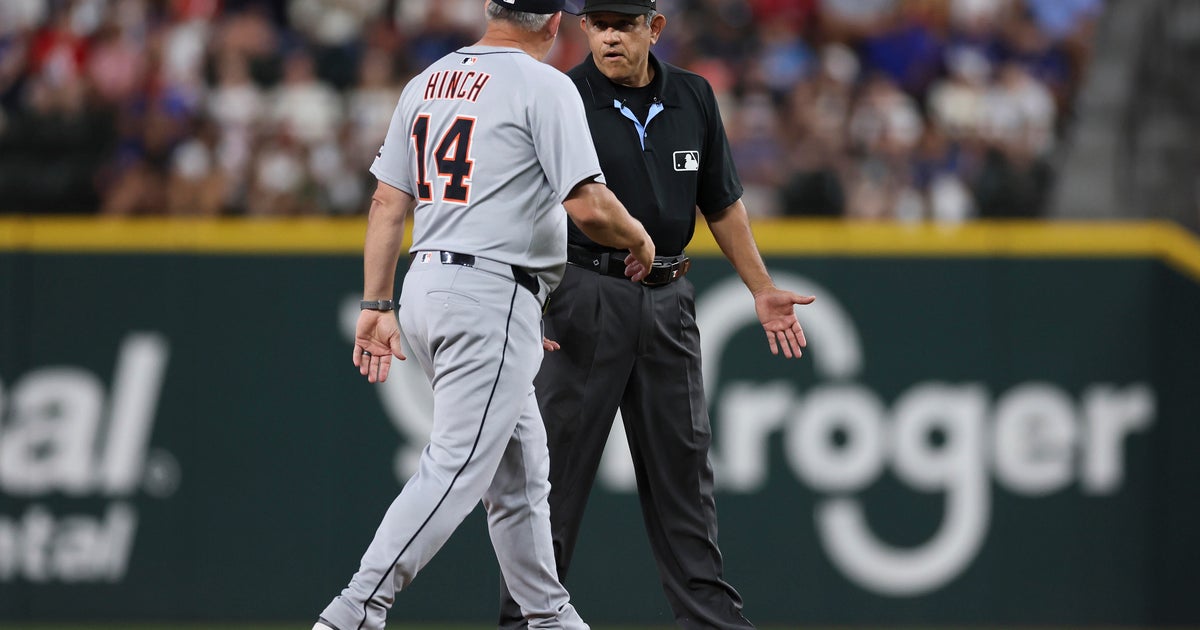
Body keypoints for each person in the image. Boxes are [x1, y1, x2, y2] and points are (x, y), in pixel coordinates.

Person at [312, 1, 654, 629]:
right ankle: (353, 613)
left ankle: (549, 618)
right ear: (554, 23)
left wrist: (375, 303)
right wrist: (638, 238)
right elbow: (590, 209)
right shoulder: (544, 83)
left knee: (522, 479)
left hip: (429, 284)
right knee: (457, 469)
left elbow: (389, 203)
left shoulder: (428, 80)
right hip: (487, 291)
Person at [497, 0, 815, 628]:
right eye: (599, 23)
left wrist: (761, 288)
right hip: (582, 296)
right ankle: (529, 622)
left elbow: (722, 204)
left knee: (685, 478)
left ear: (654, 28)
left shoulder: (693, 96)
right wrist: (523, 298)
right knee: (552, 481)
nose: (610, 36)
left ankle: (710, 623)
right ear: (582, 27)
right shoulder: (560, 94)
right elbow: (520, 202)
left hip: (669, 298)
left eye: (625, 24)